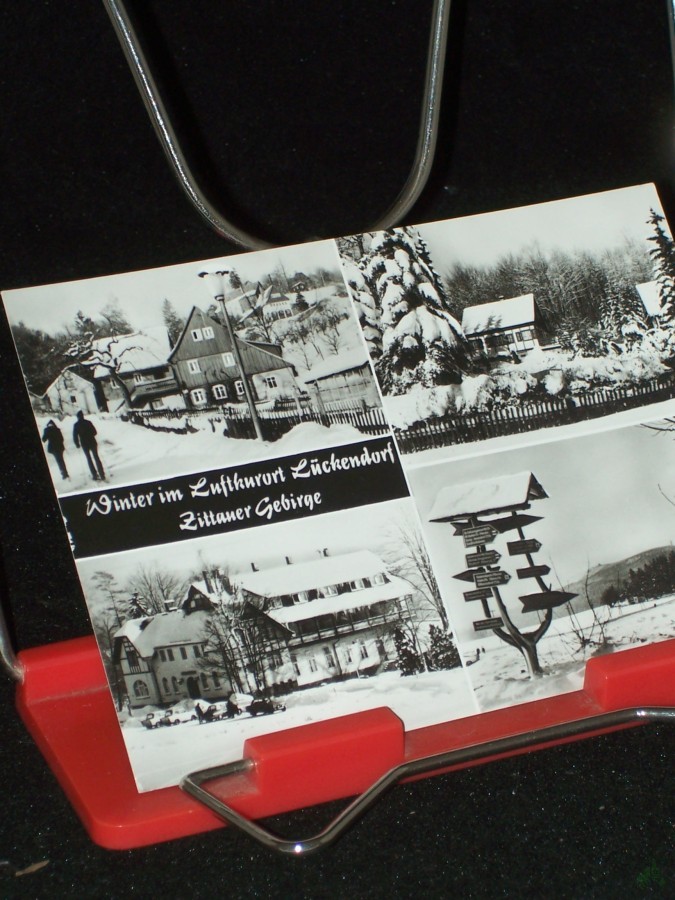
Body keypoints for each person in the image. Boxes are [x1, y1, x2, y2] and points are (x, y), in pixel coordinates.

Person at [72, 410, 105, 480]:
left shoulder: (76, 425)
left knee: (89, 459)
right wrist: (90, 435)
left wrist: (77, 444)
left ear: (77, 417)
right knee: (96, 457)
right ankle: (102, 474)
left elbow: (75, 436)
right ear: (83, 416)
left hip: (84, 443)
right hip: (92, 441)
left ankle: (94, 475)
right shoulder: (88, 422)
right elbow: (95, 432)